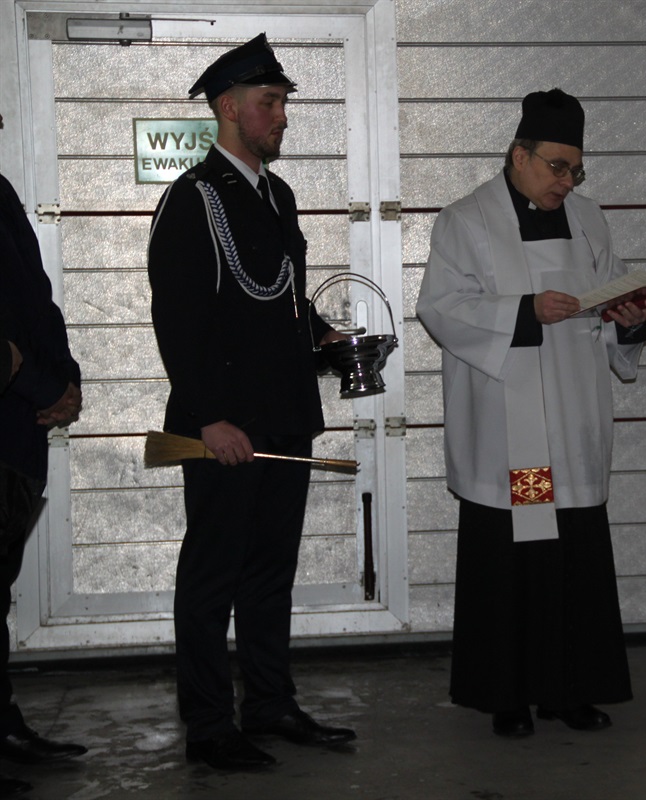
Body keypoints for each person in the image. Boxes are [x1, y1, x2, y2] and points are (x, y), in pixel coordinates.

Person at [416, 88, 646, 738]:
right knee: (519, 556)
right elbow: (440, 307)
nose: (566, 181)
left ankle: (568, 691)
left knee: (570, 556)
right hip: (514, 431)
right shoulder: (467, 221)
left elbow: (612, 296)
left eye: (575, 169)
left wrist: (631, 318)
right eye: (556, 166)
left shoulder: (589, 219)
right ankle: (509, 695)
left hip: (573, 424)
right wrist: (525, 311)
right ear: (518, 155)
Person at [147, 34, 353, 771]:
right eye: (270, 103)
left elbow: (278, 300)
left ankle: (269, 703)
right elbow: (178, 317)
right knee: (213, 577)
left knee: (269, 572)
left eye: (282, 103)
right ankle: (209, 725)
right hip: (224, 426)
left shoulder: (277, 195)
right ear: (229, 108)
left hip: (283, 416)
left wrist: (324, 337)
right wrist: (208, 418)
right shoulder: (193, 198)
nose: (282, 117)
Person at [0, 113, 88, 797]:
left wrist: (68, 380)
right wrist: (40, 385)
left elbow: (36, 303)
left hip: (18, 432)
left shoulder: (1, 194)